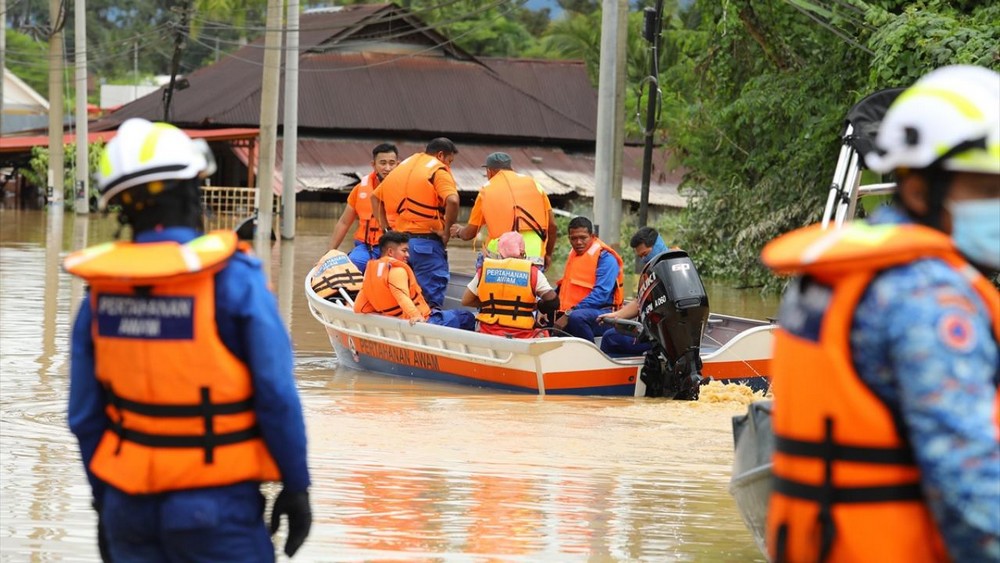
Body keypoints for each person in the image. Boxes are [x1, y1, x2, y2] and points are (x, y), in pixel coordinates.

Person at [762, 65, 999, 562]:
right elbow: (970, 486)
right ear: (918, 191)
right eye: (987, 189)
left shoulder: (837, 271)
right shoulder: (929, 297)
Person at [64, 119, 311, 562]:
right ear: (193, 190)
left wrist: (105, 505)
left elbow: (84, 416)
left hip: (128, 507)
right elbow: (276, 395)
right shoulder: (234, 280)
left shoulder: (100, 294)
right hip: (217, 508)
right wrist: (295, 486)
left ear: (121, 207)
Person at [371, 137, 460, 309]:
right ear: (441, 155)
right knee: (429, 302)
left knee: (401, 296)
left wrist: (387, 230)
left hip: (401, 245)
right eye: (450, 161)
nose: (449, 166)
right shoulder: (437, 171)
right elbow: (453, 200)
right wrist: (446, 232)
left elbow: (374, 198)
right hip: (427, 246)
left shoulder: (401, 169)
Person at [449, 152, 557, 270]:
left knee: (481, 267)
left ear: (489, 171)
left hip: (498, 259)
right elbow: (552, 226)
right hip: (533, 259)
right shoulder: (534, 185)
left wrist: (459, 231)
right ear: (511, 168)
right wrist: (548, 255)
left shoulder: (487, 189)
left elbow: (469, 233)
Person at [355, 232, 475, 330]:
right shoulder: (397, 271)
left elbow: (359, 307)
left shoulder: (369, 273)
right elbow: (402, 297)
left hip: (395, 319)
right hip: (426, 320)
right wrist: (416, 316)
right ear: (390, 252)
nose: (408, 255)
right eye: (404, 250)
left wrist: (384, 314)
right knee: (467, 317)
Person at [461, 231, 559, 338]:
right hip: (522, 335)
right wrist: (536, 306)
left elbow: (466, 300)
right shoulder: (532, 272)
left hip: (488, 332)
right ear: (522, 253)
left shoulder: (485, 269)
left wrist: (491, 304)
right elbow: (553, 302)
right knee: (543, 333)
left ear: (500, 252)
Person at [597, 227, 675, 356]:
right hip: (658, 332)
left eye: (645, 254)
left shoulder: (667, 270)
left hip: (662, 338)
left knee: (610, 337)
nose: (644, 259)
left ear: (657, 245)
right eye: (640, 257)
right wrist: (615, 315)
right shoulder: (656, 270)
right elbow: (641, 302)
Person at [328, 143, 399, 273]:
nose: (387, 168)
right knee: (353, 264)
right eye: (382, 163)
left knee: (396, 271)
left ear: (397, 164)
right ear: (374, 165)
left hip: (395, 247)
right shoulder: (360, 189)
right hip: (366, 247)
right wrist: (329, 253)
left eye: (391, 163)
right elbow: (344, 223)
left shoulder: (406, 189)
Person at [553, 216, 624, 341]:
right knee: (548, 311)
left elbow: (601, 294)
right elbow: (563, 286)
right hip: (577, 311)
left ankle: (591, 355)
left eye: (583, 238)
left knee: (576, 317)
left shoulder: (606, 259)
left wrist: (568, 314)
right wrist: (545, 305)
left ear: (592, 236)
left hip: (602, 316)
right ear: (569, 239)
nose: (578, 242)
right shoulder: (574, 255)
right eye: (574, 238)